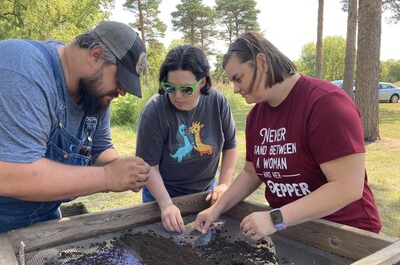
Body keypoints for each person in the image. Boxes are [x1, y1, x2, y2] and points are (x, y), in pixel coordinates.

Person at [195, 32, 382, 240]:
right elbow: (251, 173)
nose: (236, 89)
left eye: (238, 79)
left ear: (261, 61)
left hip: (346, 236)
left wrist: (275, 218)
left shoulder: (326, 103)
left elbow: (347, 187)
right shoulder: (256, 116)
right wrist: (216, 210)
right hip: (293, 234)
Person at [0, 21, 151, 233]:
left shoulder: (94, 92)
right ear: (95, 55)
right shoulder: (23, 70)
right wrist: (108, 177)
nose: (122, 91)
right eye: (119, 80)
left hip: (44, 218)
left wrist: (124, 169)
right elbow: (12, 175)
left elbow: (100, 148)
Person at [136, 45, 238, 232]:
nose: (177, 96)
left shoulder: (218, 102)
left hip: (206, 193)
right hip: (162, 194)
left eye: (186, 89)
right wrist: (166, 204)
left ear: (202, 83)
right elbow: (148, 166)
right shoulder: (154, 111)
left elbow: (230, 146)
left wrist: (224, 184)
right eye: (170, 87)